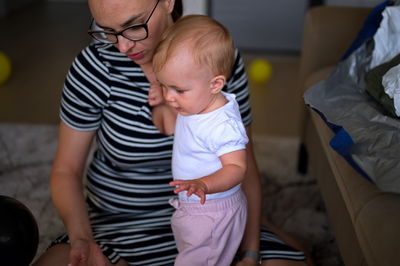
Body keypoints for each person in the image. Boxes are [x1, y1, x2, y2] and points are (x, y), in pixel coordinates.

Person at [32, 0, 309, 265]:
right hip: (117, 225)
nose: (124, 46)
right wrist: (82, 240)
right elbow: (66, 170)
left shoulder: (213, 56)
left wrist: (250, 251)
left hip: (210, 220)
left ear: (167, 1)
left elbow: (243, 164)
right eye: (108, 31)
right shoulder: (94, 68)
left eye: (134, 25)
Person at [150, 15, 249, 265]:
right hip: (194, 205)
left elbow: (237, 168)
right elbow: (179, 131)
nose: (170, 97)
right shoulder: (195, 103)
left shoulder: (222, 124)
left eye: (178, 90)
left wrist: (204, 184)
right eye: (164, 85)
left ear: (215, 84)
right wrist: (164, 99)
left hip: (214, 211)